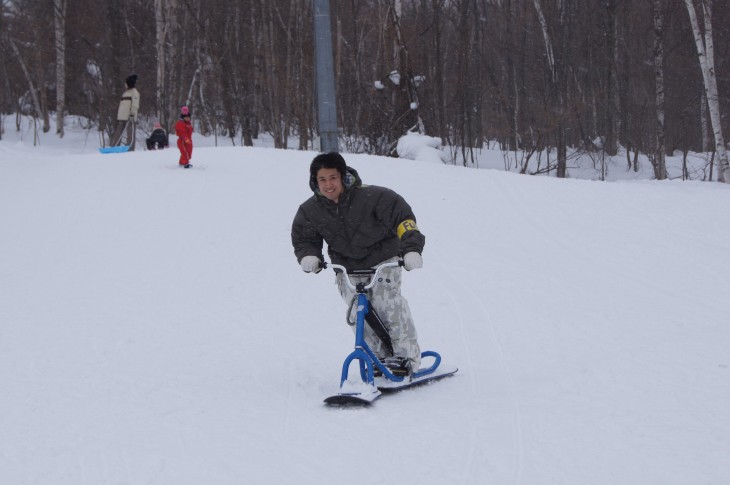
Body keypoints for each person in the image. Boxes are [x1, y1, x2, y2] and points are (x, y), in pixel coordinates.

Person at [291, 152, 426, 376]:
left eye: (333, 178)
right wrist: (309, 256)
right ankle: (380, 360)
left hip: (383, 261)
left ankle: (405, 359)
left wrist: (411, 249)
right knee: (358, 314)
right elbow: (304, 238)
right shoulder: (310, 210)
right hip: (347, 268)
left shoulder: (375, 197)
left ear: (343, 176)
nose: (328, 185)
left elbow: (404, 221)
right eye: (322, 179)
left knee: (388, 305)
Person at [110, 74, 140, 150]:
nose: (125, 85)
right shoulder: (125, 93)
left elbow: (135, 105)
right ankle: (114, 146)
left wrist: (132, 114)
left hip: (130, 117)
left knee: (130, 133)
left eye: (126, 83)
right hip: (122, 116)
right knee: (118, 132)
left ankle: (130, 147)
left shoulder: (134, 92)